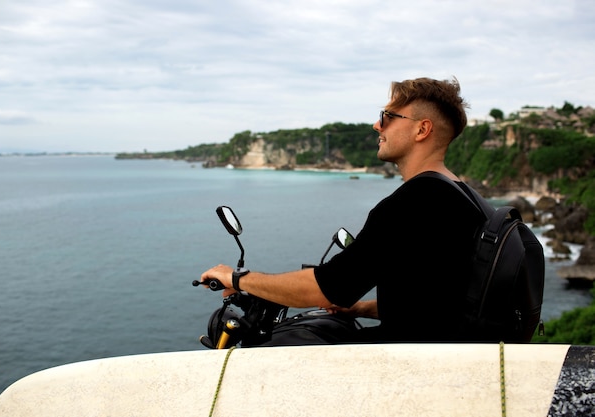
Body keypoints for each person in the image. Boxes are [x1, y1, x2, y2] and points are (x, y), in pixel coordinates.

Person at [201, 77, 484, 342]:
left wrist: (237, 278)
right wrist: (361, 308)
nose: (377, 125)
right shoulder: (468, 199)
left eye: (387, 117)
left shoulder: (412, 203)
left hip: (409, 361)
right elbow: (443, 302)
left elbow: (325, 289)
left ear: (421, 129)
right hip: (452, 350)